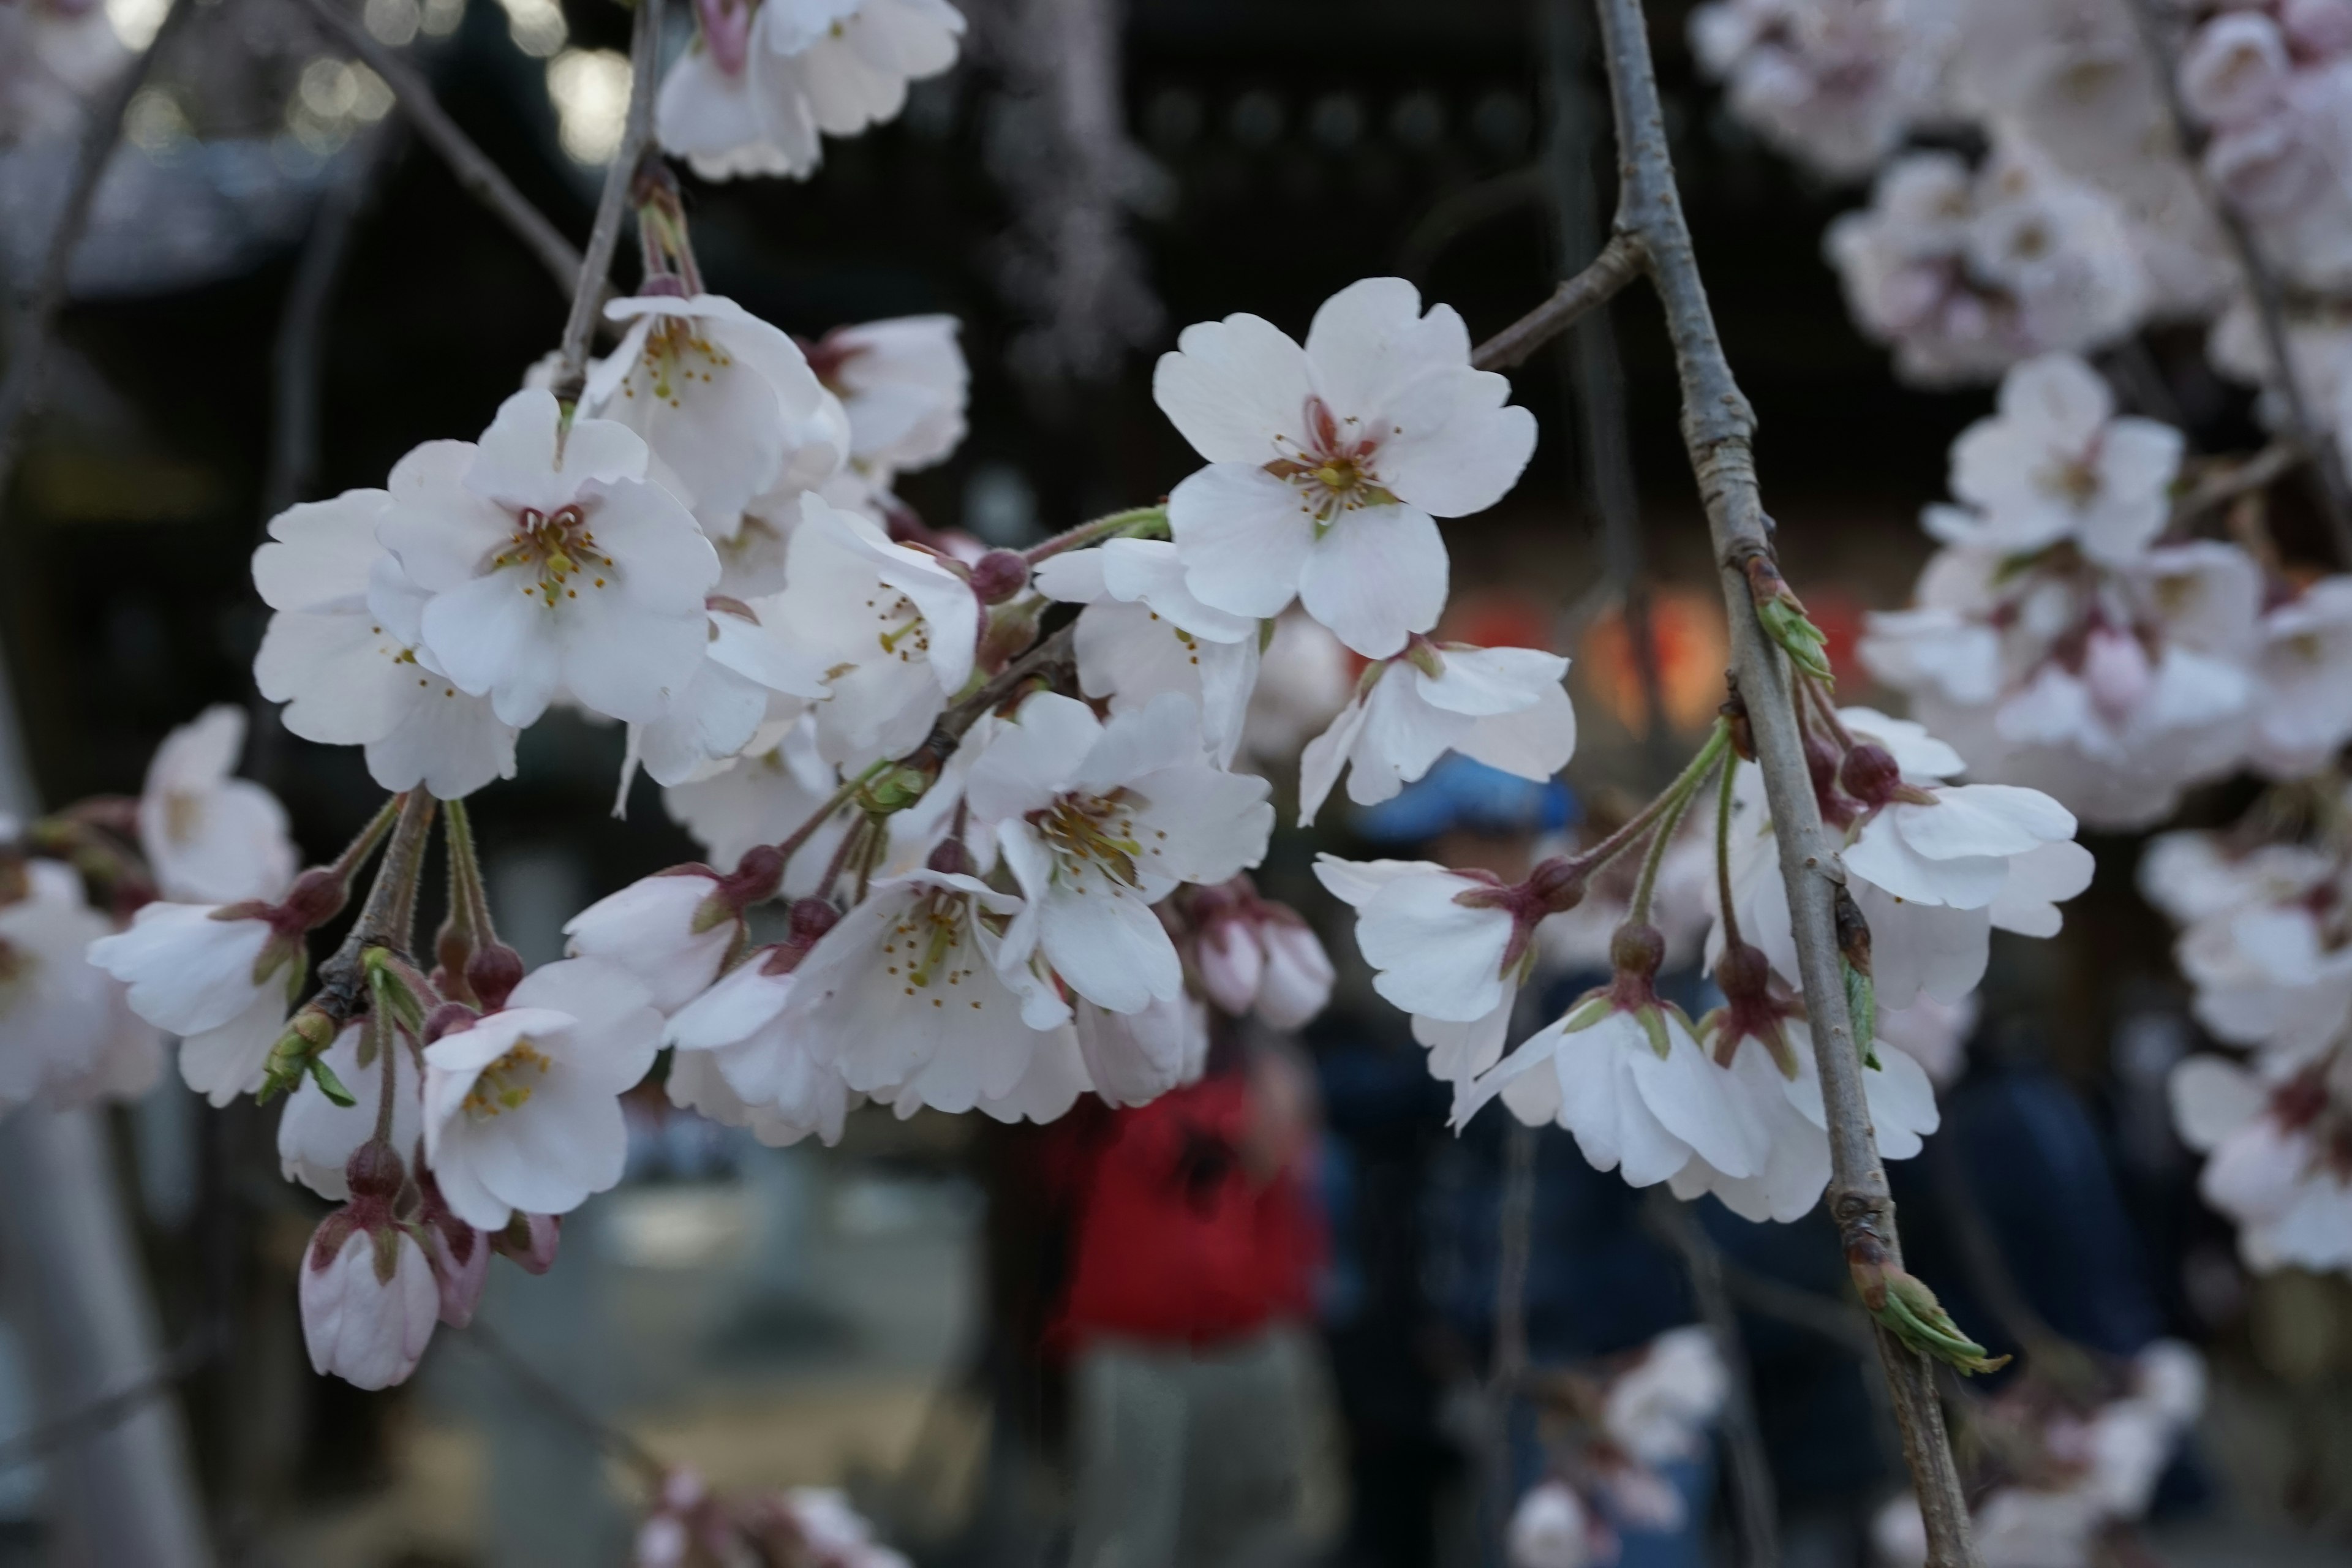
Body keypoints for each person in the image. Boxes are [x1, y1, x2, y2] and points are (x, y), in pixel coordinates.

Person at [1052, 1039, 1325, 1568]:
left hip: (1252, 1335)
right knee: (1128, 1539)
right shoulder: (1094, 1064)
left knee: (1255, 1531)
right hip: (1134, 1343)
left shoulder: (1269, 1069)